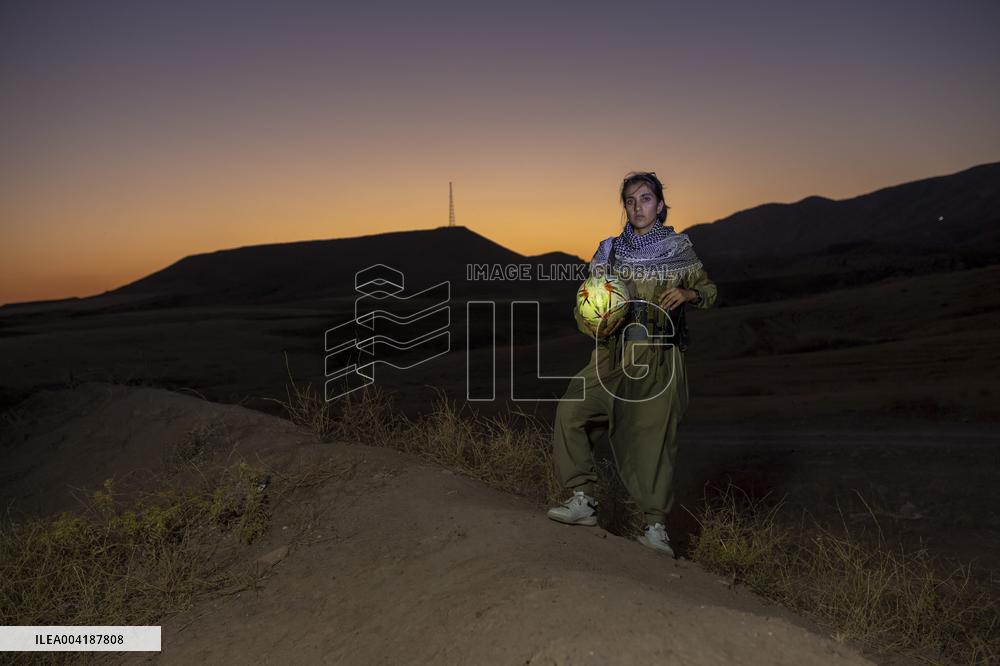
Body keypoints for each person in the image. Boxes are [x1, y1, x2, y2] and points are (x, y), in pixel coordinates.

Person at [546, 171, 718, 556]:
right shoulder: (608, 251)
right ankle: (582, 499)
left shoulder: (679, 249)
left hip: (659, 357)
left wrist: (689, 292)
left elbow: (709, 290)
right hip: (610, 354)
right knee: (571, 410)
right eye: (630, 200)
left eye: (645, 198)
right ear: (624, 206)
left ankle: (655, 528)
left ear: (659, 204)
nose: (637, 206)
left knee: (651, 442)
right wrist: (591, 316)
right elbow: (586, 303)